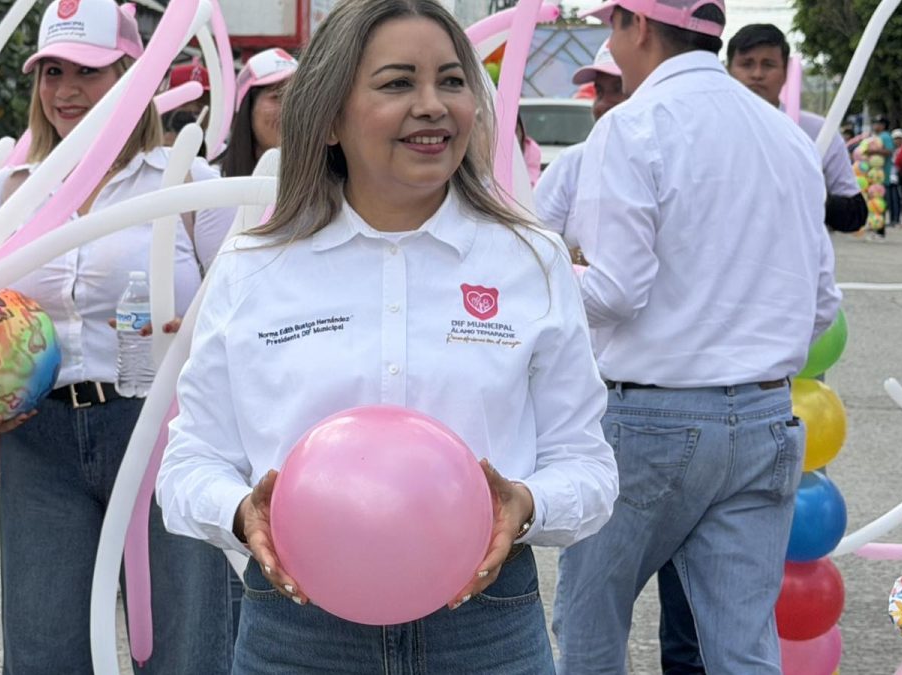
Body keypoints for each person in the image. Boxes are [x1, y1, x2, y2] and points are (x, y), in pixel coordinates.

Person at [156, 0, 619, 672]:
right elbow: (189, 461)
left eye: (452, 81)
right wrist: (239, 512)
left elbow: (589, 465)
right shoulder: (254, 265)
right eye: (398, 82)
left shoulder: (531, 259)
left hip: (486, 629)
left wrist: (525, 504)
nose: (432, 106)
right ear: (332, 117)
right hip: (298, 633)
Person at [0, 1, 235, 672]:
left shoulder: (187, 183)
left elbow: (250, 299)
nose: (67, 91)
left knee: (185, 643)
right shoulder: (8, 191)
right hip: (40, 437)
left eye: (89, 73)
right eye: (53, 72)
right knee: (45, 647)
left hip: (161, 429)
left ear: (136, 74)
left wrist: (205, 333)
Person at [551, 0, 839, 673]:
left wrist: (537, 279)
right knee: (740, 646)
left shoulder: (632, 126)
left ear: (639, 27)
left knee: (591, 627)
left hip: (651, 416)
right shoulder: (788, 137)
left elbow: (616, 291)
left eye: (610, 24)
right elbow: (820, 303)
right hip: (767, 413)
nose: (607, 40)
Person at [727, 24, 867, 235]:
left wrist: (812, 193)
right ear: (728, 70)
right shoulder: (706, 129)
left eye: (768, 64)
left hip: (795, 263)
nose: (757, 74)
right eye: (746, 64)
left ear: (786, 72)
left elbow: (854, 214)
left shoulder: (818, 131)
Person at [189, 48, 299, 275]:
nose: (290, 108)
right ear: (247, 107)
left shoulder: (327, 185)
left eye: (299, 97)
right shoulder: (213, 183)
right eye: (277, 97)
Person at [535, 39, 627, 253]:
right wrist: (576, 258)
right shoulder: (573, 163)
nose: (603, 104)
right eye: (600, 92)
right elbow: (534, 244)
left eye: (619, 88)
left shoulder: (669, 163)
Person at [161, 59, 210, 148]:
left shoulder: (217, 149)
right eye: (186, 102)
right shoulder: (147, 143)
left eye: (201, 103)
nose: (193, 109)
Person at [868, 114, 896, 238]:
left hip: (882, 175)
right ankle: (876, 228)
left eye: (878, 124)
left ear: (883, 125)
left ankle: (880, 231)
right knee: (875, 204)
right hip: (875, 176)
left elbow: (889, 151)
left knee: (880, 204)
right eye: (875, 123)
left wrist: (873, 152)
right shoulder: (877, 136)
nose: (876, 126)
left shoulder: (885, 136)